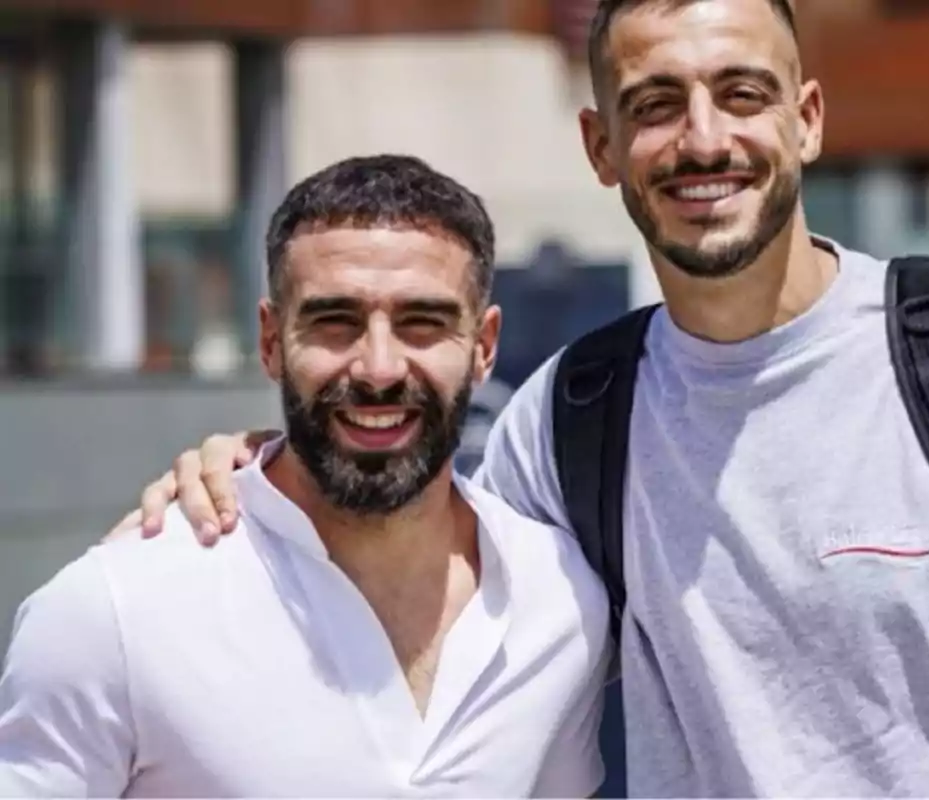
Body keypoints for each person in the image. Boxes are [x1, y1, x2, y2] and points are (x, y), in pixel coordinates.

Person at [112, 0, 929, 796]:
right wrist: (261, 472)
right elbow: (402, 568)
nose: (704, 140)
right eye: (655, 105)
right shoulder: (569, 418)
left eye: (741, 95)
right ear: (601, 146)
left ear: (807, 120)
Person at [0, 155, 610, 797]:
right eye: (335, 322)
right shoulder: (112, 614)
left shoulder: (562, 599)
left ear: (483, 347)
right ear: (270, 340)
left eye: (421, 323)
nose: (378, 368)